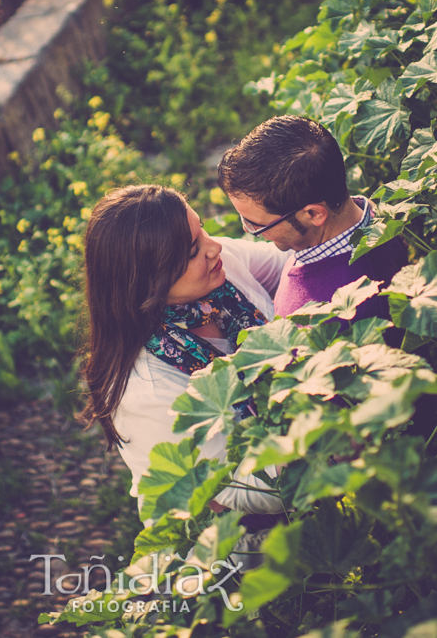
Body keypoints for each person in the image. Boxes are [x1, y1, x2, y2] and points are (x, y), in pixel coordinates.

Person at [82, 183, 287, 524]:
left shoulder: (219, 269)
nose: (214, 245)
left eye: (201, 228)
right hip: (237, 549)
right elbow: (255, 487)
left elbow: (295, 259)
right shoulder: (145, 389)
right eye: (192, 251)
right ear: (148, 282)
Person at [217, 115, 408, 324]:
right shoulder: (377, 218)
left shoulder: (338, 315)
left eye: (256, 224)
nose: (248, 229)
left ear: (314, 214)